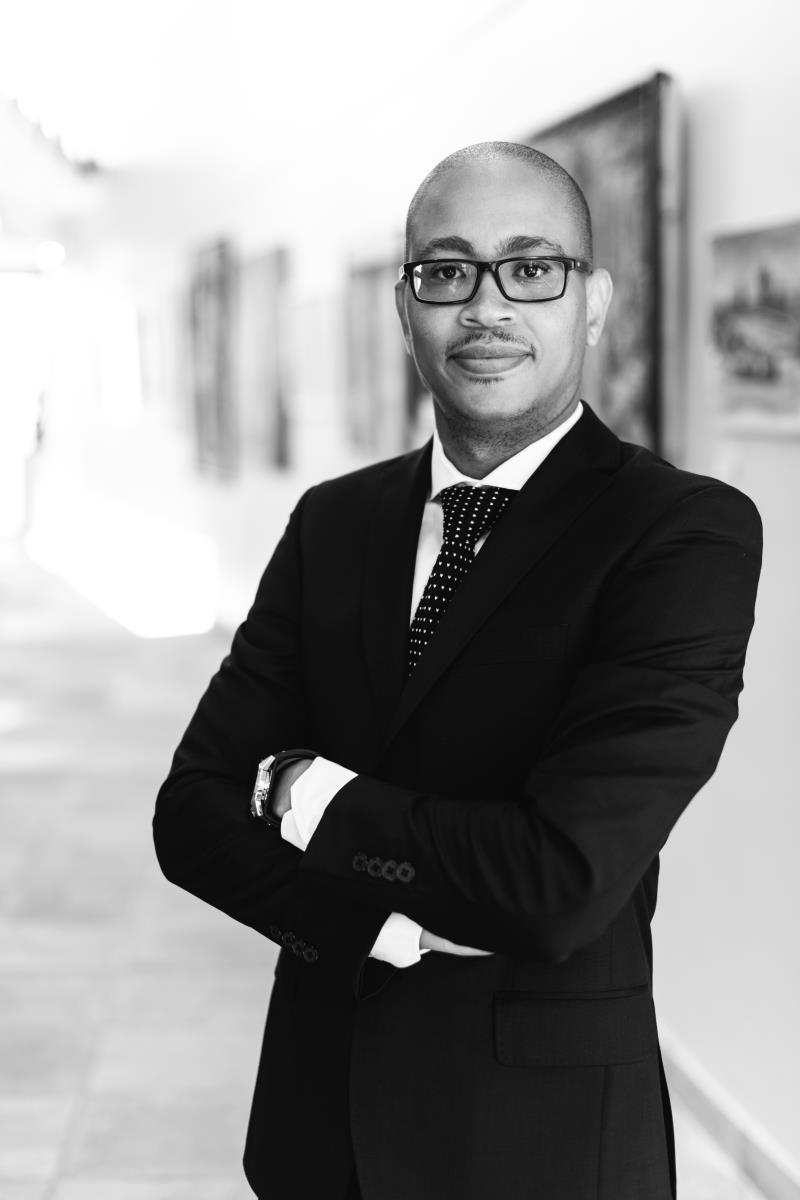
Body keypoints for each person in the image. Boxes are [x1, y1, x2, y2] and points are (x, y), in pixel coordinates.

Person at [153, 142, 762, 1200]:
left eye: (530, 269)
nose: (486, 307)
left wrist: (305, 792)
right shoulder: (334, 522)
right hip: (318, 1122)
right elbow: (191, 815)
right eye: (446, 271)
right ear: (405, 309)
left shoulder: (680, 533)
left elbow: (557, 881)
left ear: (593, 302)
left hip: (539, 1145)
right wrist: (374, 928)